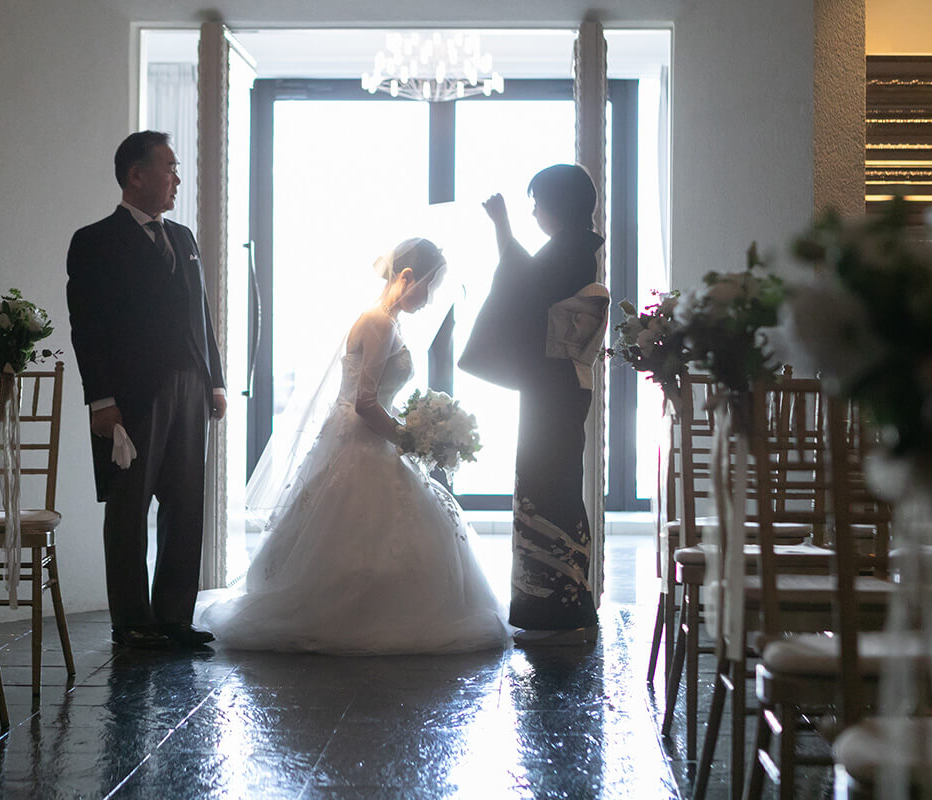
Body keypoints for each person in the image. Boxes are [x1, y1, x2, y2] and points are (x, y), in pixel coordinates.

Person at [199, 238, 510, 654]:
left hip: (368, 437)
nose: (432, 299)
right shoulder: (379, 323)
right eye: (430, 287)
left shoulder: (387, 322)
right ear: (406, 277)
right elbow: (365, 403)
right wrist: (409, 438)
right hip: (363, 440)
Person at [66, 131, 225, 650]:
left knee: (185, 504)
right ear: (137, 175)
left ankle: (175, 617)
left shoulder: (184, 238)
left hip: (191, 388)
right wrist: (102, 401)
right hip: (132, 396)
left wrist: (215, 380)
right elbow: (88, 328)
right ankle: (133, 621)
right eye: (169, 168)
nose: (176, 178)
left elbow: (201, 316)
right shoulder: (94, 241)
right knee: (129, 506)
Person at [459, 164, 605, 646]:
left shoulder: (571, 249)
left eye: (538, 203)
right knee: (551, 484)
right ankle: (562, 605)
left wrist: (502, 227)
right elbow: (528, 285)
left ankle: (556, 611)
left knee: (548, 487)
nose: (536, 212)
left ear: (557, 203)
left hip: (552, 386)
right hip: (558, 384)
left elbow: (522, 288)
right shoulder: (577, 248)